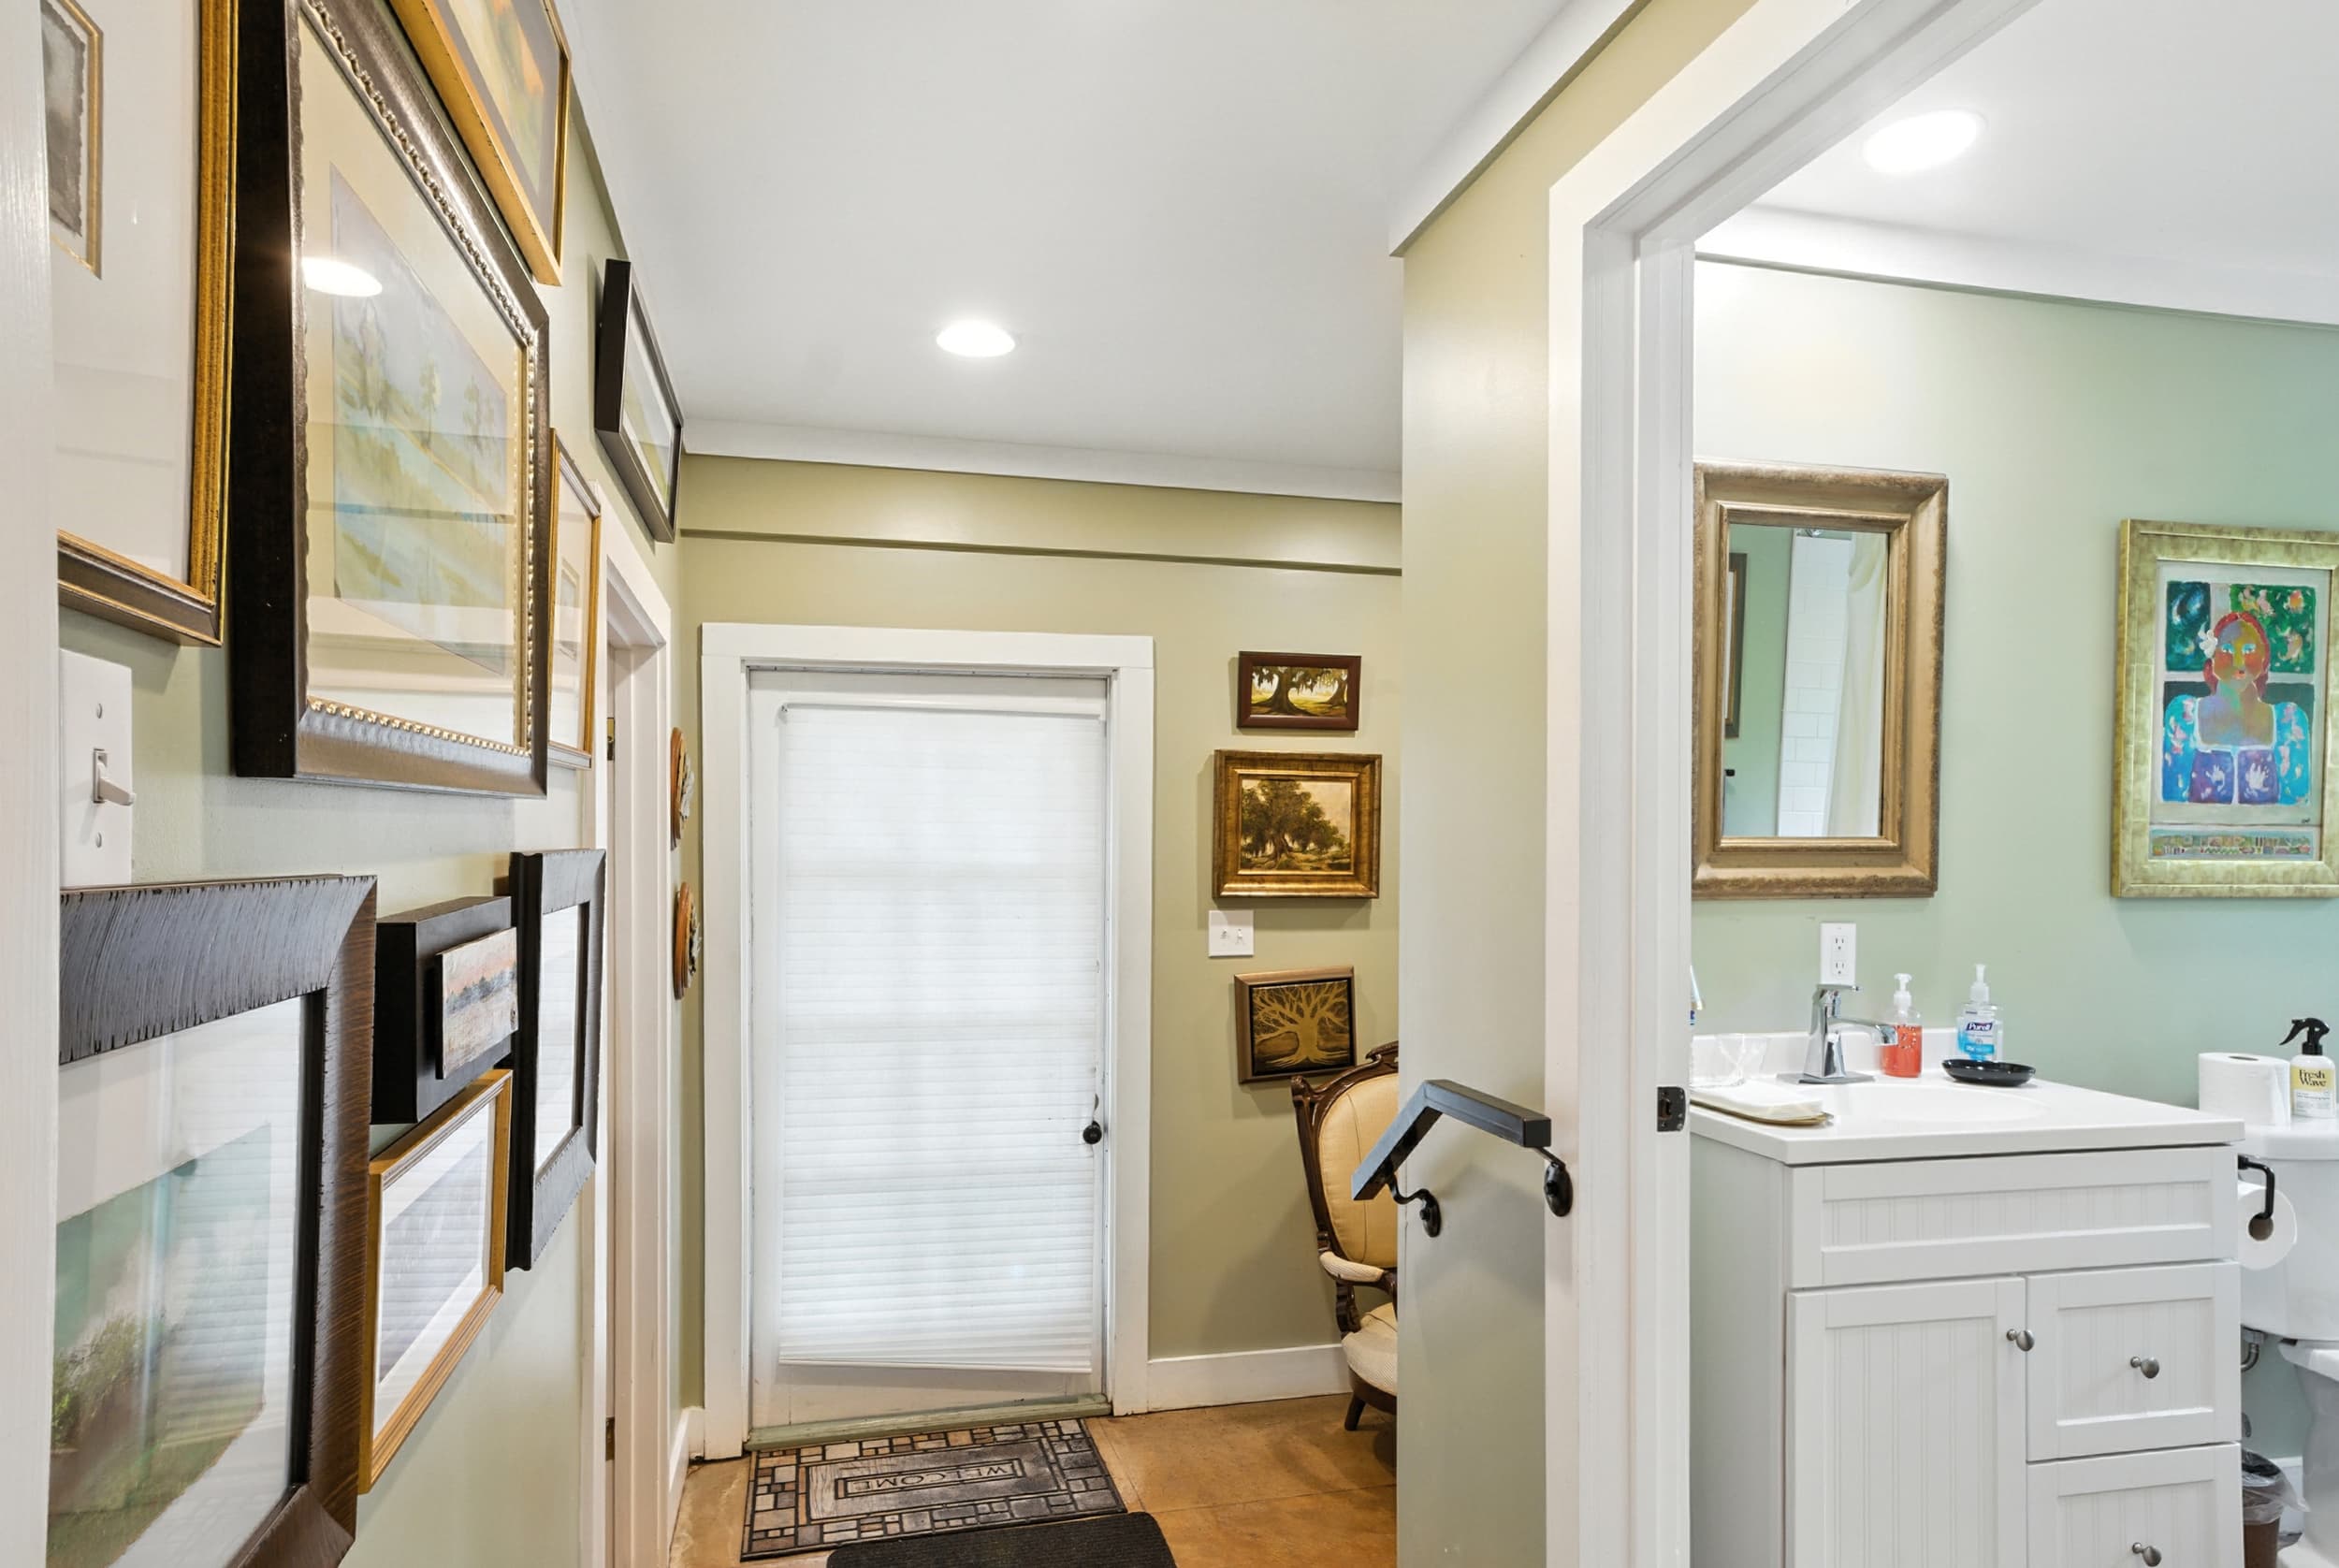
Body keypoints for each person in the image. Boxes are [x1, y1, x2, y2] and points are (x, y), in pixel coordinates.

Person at [2162, 609, 2314, 806]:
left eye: (2249, 650)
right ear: (2213, 657)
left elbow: (2298, 807)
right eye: (2228, 650)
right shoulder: (2183, 716)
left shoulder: (2290, 722)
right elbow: (2171, 804)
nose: (2239, 662)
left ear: (2263, 658)